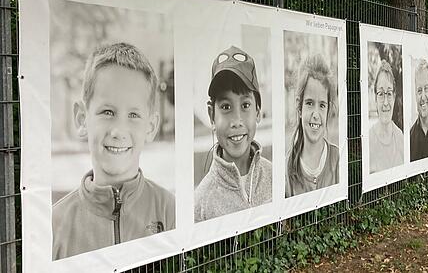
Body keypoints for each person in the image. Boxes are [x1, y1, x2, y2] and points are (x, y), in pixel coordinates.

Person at [52, 42, 175, 260]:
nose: (119, 131)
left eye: (134, 115)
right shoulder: (55, 225)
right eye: (108, 112)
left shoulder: (170, 210)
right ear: (82, 119)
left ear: (151, 126)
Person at [194, 46, 272, 222]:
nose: (237, 121)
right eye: (226, 107)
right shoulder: (201, 204)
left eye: (245, 105)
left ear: (258, 111)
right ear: (211, 115)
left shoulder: (275, 178)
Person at [286, 54, 339, 196]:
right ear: (299, 107)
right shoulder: (287, 169)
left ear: (328, 110)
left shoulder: (339, 160)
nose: (316, 114)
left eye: (322, 105)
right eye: (309, 103)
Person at [368, 60, 403, 173]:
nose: (386, 103)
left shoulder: (400, 137)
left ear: (394, 96)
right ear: (375, 98)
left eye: (389, 93)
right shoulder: (368, 141)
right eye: (381, 94)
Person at [410, 59, 428, 161]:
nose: (423, 97)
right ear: (415, 94)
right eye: (419, 90)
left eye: (426, 88)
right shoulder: (410, 136)